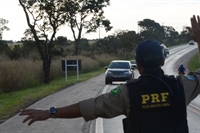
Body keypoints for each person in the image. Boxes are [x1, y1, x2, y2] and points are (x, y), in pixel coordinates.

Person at [19, 15, 200, 133]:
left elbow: (89, 107)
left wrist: (51, 112)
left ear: (137, 64)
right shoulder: (181, 86)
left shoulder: (126, 93)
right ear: (162, 61)